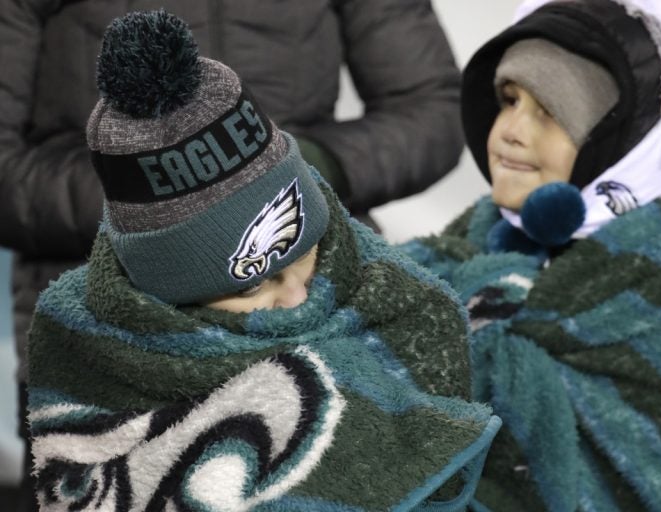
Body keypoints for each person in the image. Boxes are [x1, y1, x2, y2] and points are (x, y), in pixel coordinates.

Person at [23, 10, 499, 511]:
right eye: (253, 285)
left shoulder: (398, 307)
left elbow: (426, 102)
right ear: (166, 297)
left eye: (306, 253)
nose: (298, 299)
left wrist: (317, 166)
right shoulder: (95, 377)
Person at [401, 0, 661, 509]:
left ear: (623, 145)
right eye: (509, 100)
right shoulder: (442, 261)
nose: (510, 129)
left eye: (549, 112)